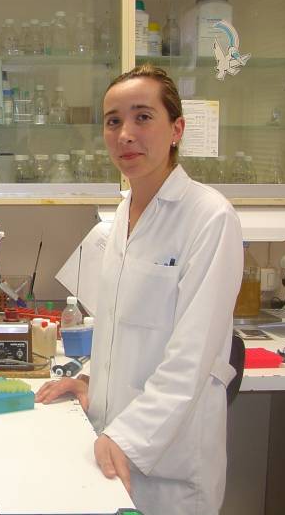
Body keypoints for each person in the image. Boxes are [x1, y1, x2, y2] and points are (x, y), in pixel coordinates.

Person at [37, 64, 242, 515]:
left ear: (176, 129)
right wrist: (88, 378)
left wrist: (127, 437)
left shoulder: (210, 217)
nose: (125, 133)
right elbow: (117, 324)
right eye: (113, 121)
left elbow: (192, 357)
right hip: (110, 441)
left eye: (143, 116)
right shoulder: (123, 213)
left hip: (168, 464)